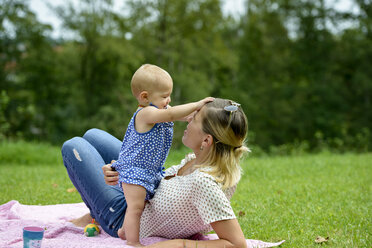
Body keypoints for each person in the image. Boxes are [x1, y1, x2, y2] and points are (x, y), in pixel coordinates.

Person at [62, 98, 249, 247]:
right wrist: (123, 171)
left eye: (195, 119)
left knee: (73, 147)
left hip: (124, 218)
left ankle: (97, 214)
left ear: (206, 141)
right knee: (93, 135)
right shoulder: (200, 161)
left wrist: (178, 244)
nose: (188, 120)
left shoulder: (205, 184)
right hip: (142, 190)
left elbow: (237, 244)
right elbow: (164, 186)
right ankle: (96, 207)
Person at [109, 64, 213, 246]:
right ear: (145, 96)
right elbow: (172, 114)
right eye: (164, 96)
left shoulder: (159, 111)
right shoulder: (145, 113)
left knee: (135, 207)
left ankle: (124, 231)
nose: (169, 99)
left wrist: (192, 116)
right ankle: (133, 243)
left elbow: (176, 114)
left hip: (148, 171)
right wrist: (197, 104)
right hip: (135, 170)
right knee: (135, 208)